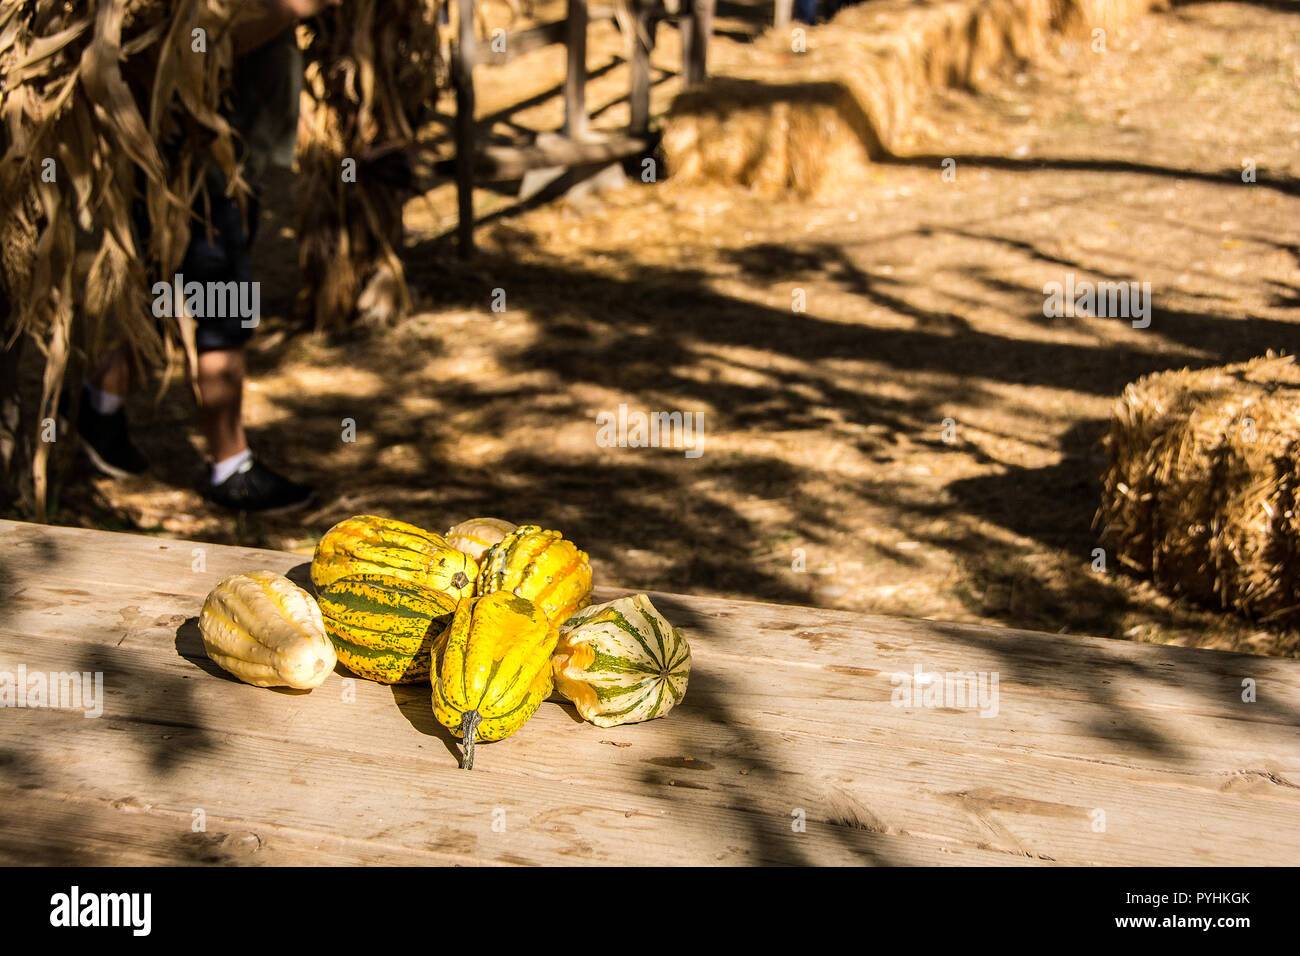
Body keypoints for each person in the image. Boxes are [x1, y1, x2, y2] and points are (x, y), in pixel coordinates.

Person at [75, 0, 341, 513]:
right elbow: (205, 36)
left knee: (169, 291)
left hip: (220, 162)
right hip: (201, 166)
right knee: (222, 306)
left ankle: (98, 403)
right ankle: (230, 466)